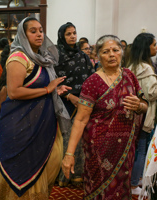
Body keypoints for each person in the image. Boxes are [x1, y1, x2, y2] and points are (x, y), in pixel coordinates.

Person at [0, 17, 71, 199]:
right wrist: (47, 89)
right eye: (33, 31)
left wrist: (55, 90)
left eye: (40, 30)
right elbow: (14, 91)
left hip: (44, 122)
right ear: (23, 35)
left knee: (48, 167)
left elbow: (36, 87)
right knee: (23, 170)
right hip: (22, 125)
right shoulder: (18, 57)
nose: (39, 34)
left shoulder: (41, 57)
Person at [62, 35, 148, 199]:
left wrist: (139, 105)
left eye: (115, 50)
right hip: (99, 148)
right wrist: (69, 154)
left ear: (122, 53)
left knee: (122, 189)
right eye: (106, 51)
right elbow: (80, 120)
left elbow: (144, 105)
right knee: (99, 189)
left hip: (125, 148)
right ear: (97, 55)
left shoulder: (129, 76)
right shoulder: (92, 82)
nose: (111, 55)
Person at [54, 22, 95, 187]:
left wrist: (85, 100)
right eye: (68, 34)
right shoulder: (56, 55)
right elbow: (53, 81)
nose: (72, 36)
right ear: (62, 37)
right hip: (63, 101)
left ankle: (78, 174)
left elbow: (91, 79)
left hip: (83, 103)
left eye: (74, 33)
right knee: (65, 138)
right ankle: (63, 175)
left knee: (80, 139)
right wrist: (70, 96)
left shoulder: (82, 55)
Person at [126, 32, 157, 196]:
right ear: (147, 48)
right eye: (154, 44)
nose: (156, 47)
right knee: (142, 149)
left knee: (136, 148)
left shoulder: (133, 65)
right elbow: (152, 93)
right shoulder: (145, 68)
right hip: (143, 113)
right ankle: (133, 184)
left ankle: (135, 179)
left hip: (135, 112)